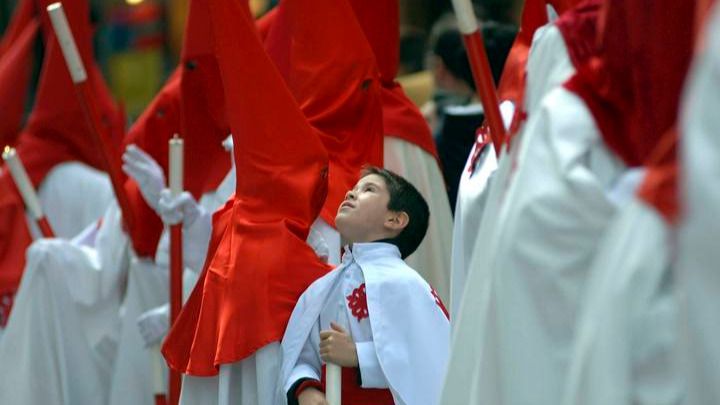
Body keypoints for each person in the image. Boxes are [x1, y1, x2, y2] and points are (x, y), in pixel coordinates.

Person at [279, 167, 450, 405]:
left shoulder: (408, 285)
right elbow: (300, 355)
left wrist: (359, 355)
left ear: (395, 219)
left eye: (368, 189)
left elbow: (430, 359)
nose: (350, 193)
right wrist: (307, 390)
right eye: (354, 188)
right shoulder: (321, 289)